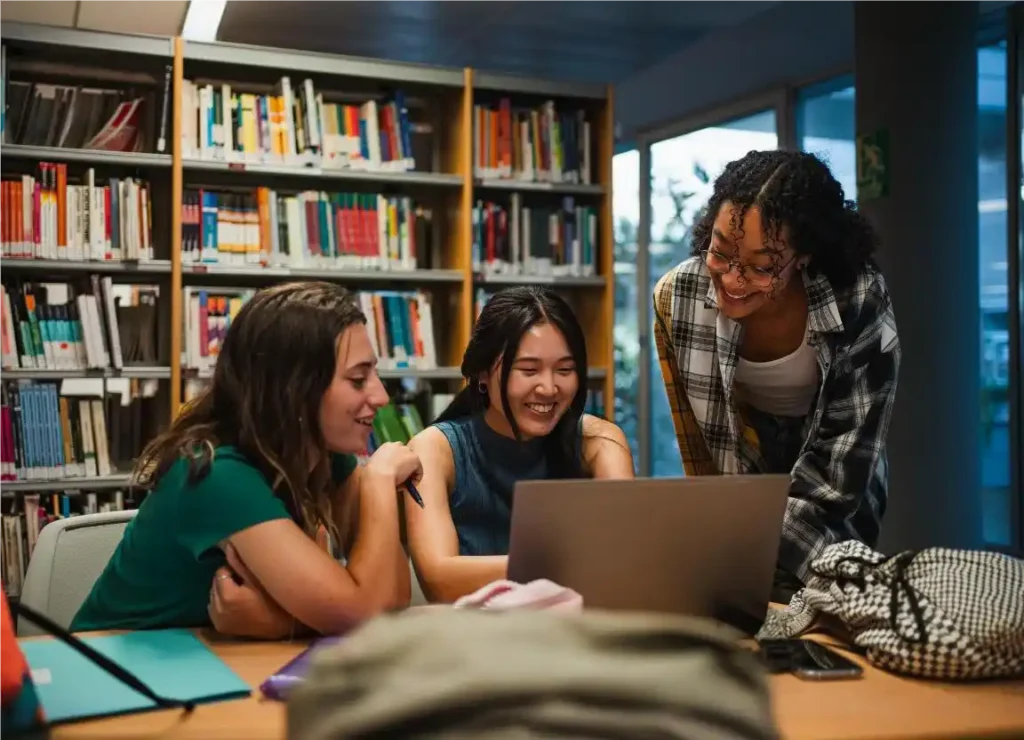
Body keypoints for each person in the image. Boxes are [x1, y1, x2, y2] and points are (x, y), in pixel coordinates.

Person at [71, 281, 421, 638]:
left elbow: (390, 601)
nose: (380, 396)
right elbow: (360, 614)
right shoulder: (216, 474)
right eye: (359, 379)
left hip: (209, 660)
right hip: (118, 666)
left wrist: (285, 623)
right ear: (294, 390)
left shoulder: (323, 454)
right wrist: (378, 481)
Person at [652, 149, 900, 601]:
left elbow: (841, 473)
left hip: (836, 464)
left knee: (835, 595)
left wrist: (752, 537)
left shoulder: (857, 296)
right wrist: (718, 541)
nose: (732, 278)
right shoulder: (678, 297)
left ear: (804, 256)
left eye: (762, 266)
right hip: (743, 460)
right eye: (721, 252)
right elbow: (700, 451)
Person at [404, 286, 634, 603]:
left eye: (565, 370)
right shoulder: (434, 449)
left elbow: (626, 563)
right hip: (475, 641)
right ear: (482, 373)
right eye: (528, 370)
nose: (549, 388)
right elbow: (439, 581)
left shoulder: (599, 442)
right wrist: (574, 564)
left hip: (574, 634)